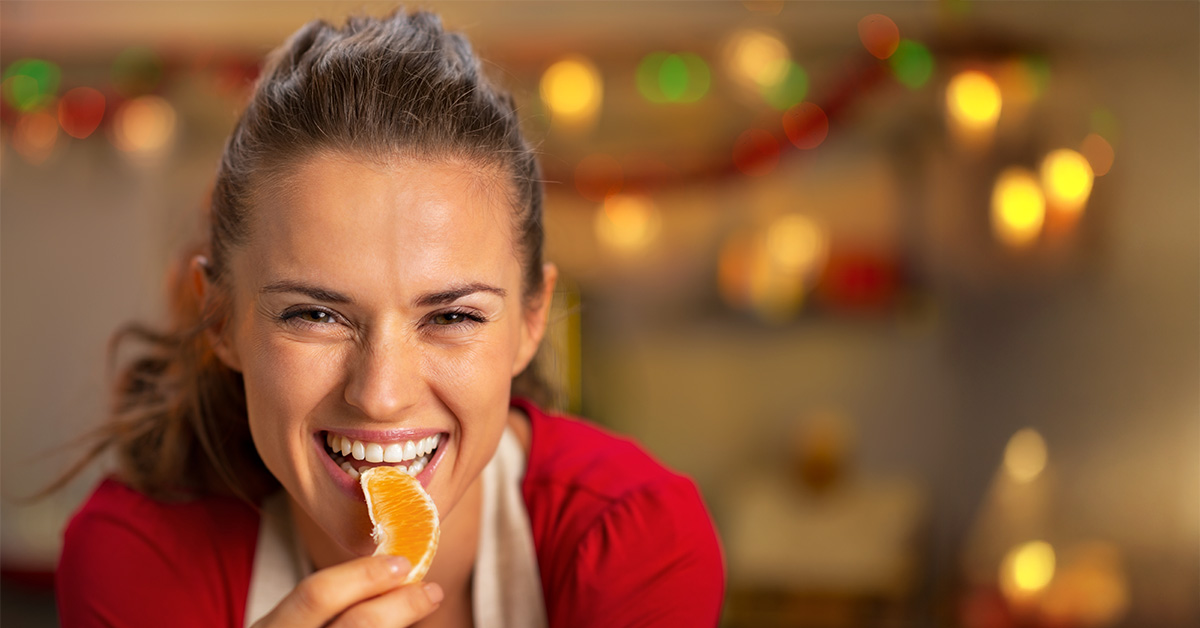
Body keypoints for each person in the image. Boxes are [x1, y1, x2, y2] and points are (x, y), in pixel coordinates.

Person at [54, 9, 725, 628]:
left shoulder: (636, 540)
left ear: (531, 321)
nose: (381, 395)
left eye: (452, 316)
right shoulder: (136, 558)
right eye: (316, 314)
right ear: (221, 319)